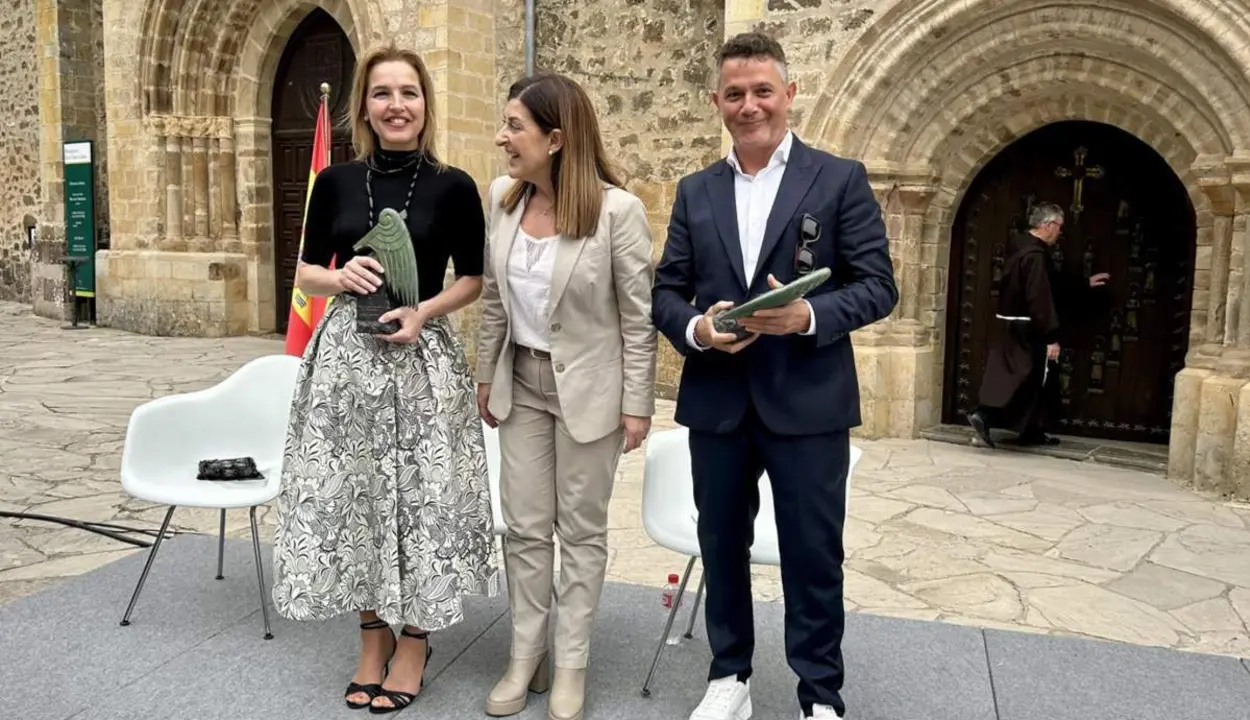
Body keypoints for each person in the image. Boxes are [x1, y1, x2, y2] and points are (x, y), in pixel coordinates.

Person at [651, 32, 898, 720]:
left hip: (808, 402)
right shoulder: (694, 190)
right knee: (721, 544)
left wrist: (809, 315)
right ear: (717, 103)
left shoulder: (838, 178)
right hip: (719, 402)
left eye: (763, 90)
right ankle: (730, 676)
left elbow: (879, 286)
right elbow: (665, 293)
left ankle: (820, 694)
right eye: (735, 93)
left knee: (814, 555)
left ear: (789, 94)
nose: (750, 104)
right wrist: (699, 328)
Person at [271, 45, 499, 714]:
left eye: (409, 92)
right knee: (358, 496)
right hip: (346, 363)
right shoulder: (337, 183)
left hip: (421, 358)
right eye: (381, 93)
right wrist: (338, 277)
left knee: (424, 499)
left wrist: (423, 312)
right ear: (363, 108)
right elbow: (306, 270)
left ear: (426, 105)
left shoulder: (454, 186)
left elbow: (474, 279)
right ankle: (372, 636)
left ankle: (417, 639)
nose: (396, 104)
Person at [476, 71, 658, 720]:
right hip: (519, 384)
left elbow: (638, 318)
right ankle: (527, 655)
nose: (501, 138)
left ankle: (572, 661)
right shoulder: (501, 198)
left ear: (555, 138)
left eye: (513, 127)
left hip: (591, 394)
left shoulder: (617, 211)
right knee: (524, 529)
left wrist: (638, 404)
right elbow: (495, 299)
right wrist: (483, 376)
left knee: (579, 533)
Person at [967, 202, 1109, 448]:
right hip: (1029, 329)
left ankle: (1032, 431)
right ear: (1048, 225)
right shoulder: (1034, 256)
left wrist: (1084, 283)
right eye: (1059, 227)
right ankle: (985, 416)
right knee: (1028, 379)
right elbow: (1039, 296)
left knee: (1034, 379)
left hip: (1013, 325)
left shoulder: (1024, 248)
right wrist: (1051, 336)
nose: (1060, 233)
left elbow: (1052, 283)